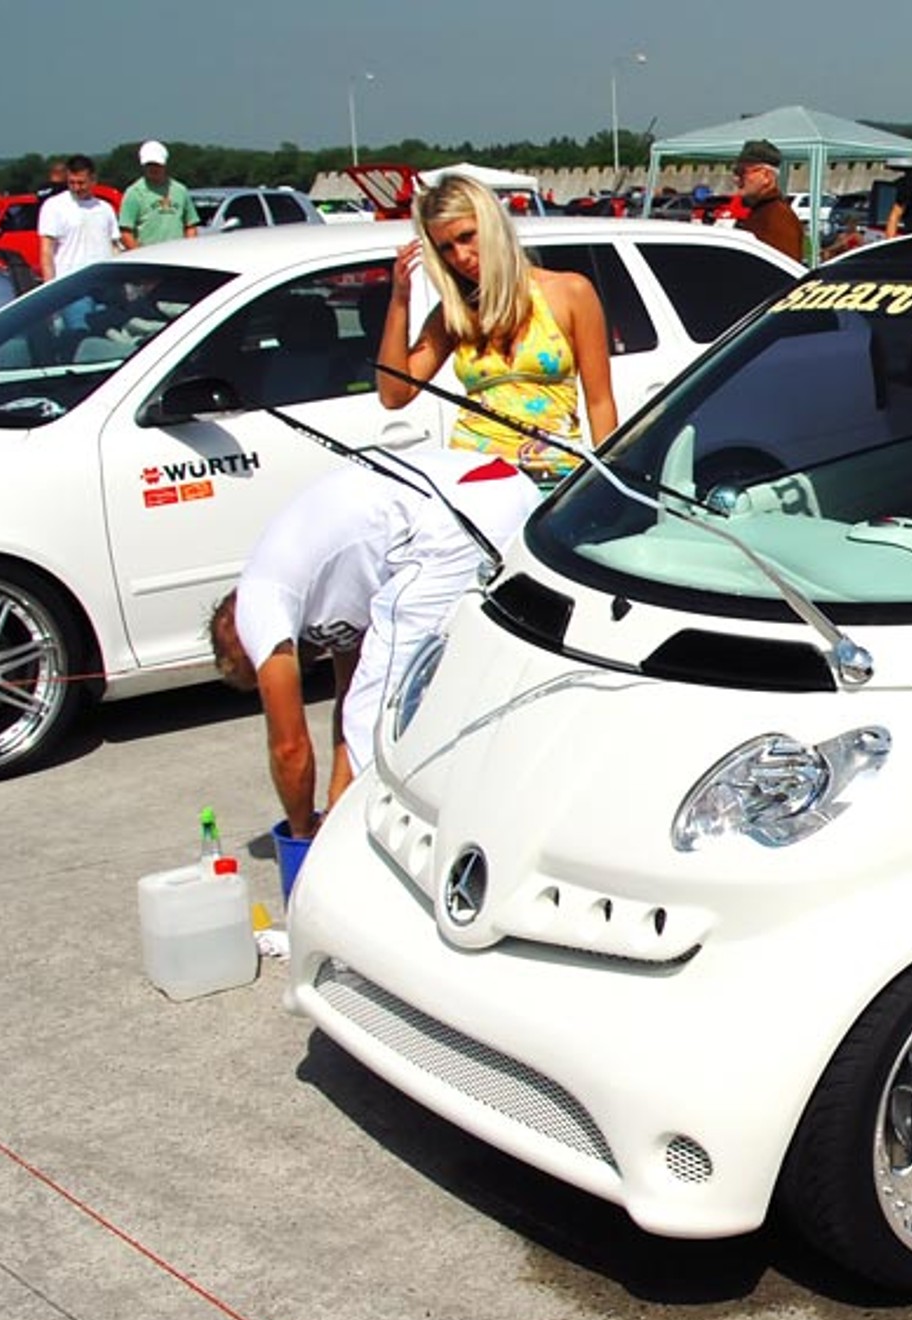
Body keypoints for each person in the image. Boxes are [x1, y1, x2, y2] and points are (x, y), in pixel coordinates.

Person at [208, 451, 540, 838]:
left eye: (256, 677)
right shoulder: (321, 586)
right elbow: (349, 689)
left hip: (458, 517)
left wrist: (302, 834)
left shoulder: (259, 599)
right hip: (505, 491)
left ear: (239, 634)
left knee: (375, 716)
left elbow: (289, 747)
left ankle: (371, 842)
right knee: (435, 689)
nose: (268, 683)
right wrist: (336, 799)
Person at [376, 174, 617, 489]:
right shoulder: (456, 312)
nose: (460, 257)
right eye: (446, 248)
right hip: (474, 480)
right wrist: (399, 300)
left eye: (467, 237)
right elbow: (395, 394)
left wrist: (606, 483)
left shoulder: (569, 292)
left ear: (491, 226)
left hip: (553, 477)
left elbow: (599, 401)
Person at [37, 155, 121, 281]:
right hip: (70, 285)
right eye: (72, 182)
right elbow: (46, 252)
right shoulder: (54, 206)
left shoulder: (105, 209)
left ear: (93, 180)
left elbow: (114, 247)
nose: (76, 188)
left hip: (104, 284)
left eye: (81, 183)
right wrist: (49, 286)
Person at [731, 139, 804, 262]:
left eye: (741, 172)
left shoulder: (778, 217)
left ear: (767, 176)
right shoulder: (762, 211)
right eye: (735, 172)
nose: (736, 179)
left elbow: (781, 271)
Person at [119, 141, 198, 249]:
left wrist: (189, 249)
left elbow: (190, 225)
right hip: (148, 258)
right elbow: (126, 232)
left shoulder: (180, 190)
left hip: (178, 255)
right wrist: (141, 255)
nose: (153, 168)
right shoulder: (134, 192)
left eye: (157, 164)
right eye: (149, 165)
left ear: (164, 164)